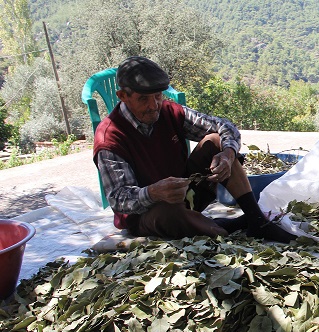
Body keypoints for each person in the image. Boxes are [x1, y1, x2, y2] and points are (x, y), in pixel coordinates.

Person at [93, 56, 296, 242]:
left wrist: (228, 154)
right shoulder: (110, 138)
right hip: (149, 213)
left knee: (216, 141)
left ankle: (256, 220)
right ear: (122, 96)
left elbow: (226, 127)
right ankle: (225, 229)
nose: (154, 106)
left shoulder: (169, 111)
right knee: (169, 215)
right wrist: (153, 193)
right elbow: (119, 198)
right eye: (143, 99)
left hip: (184, 195)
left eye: (157, 96)